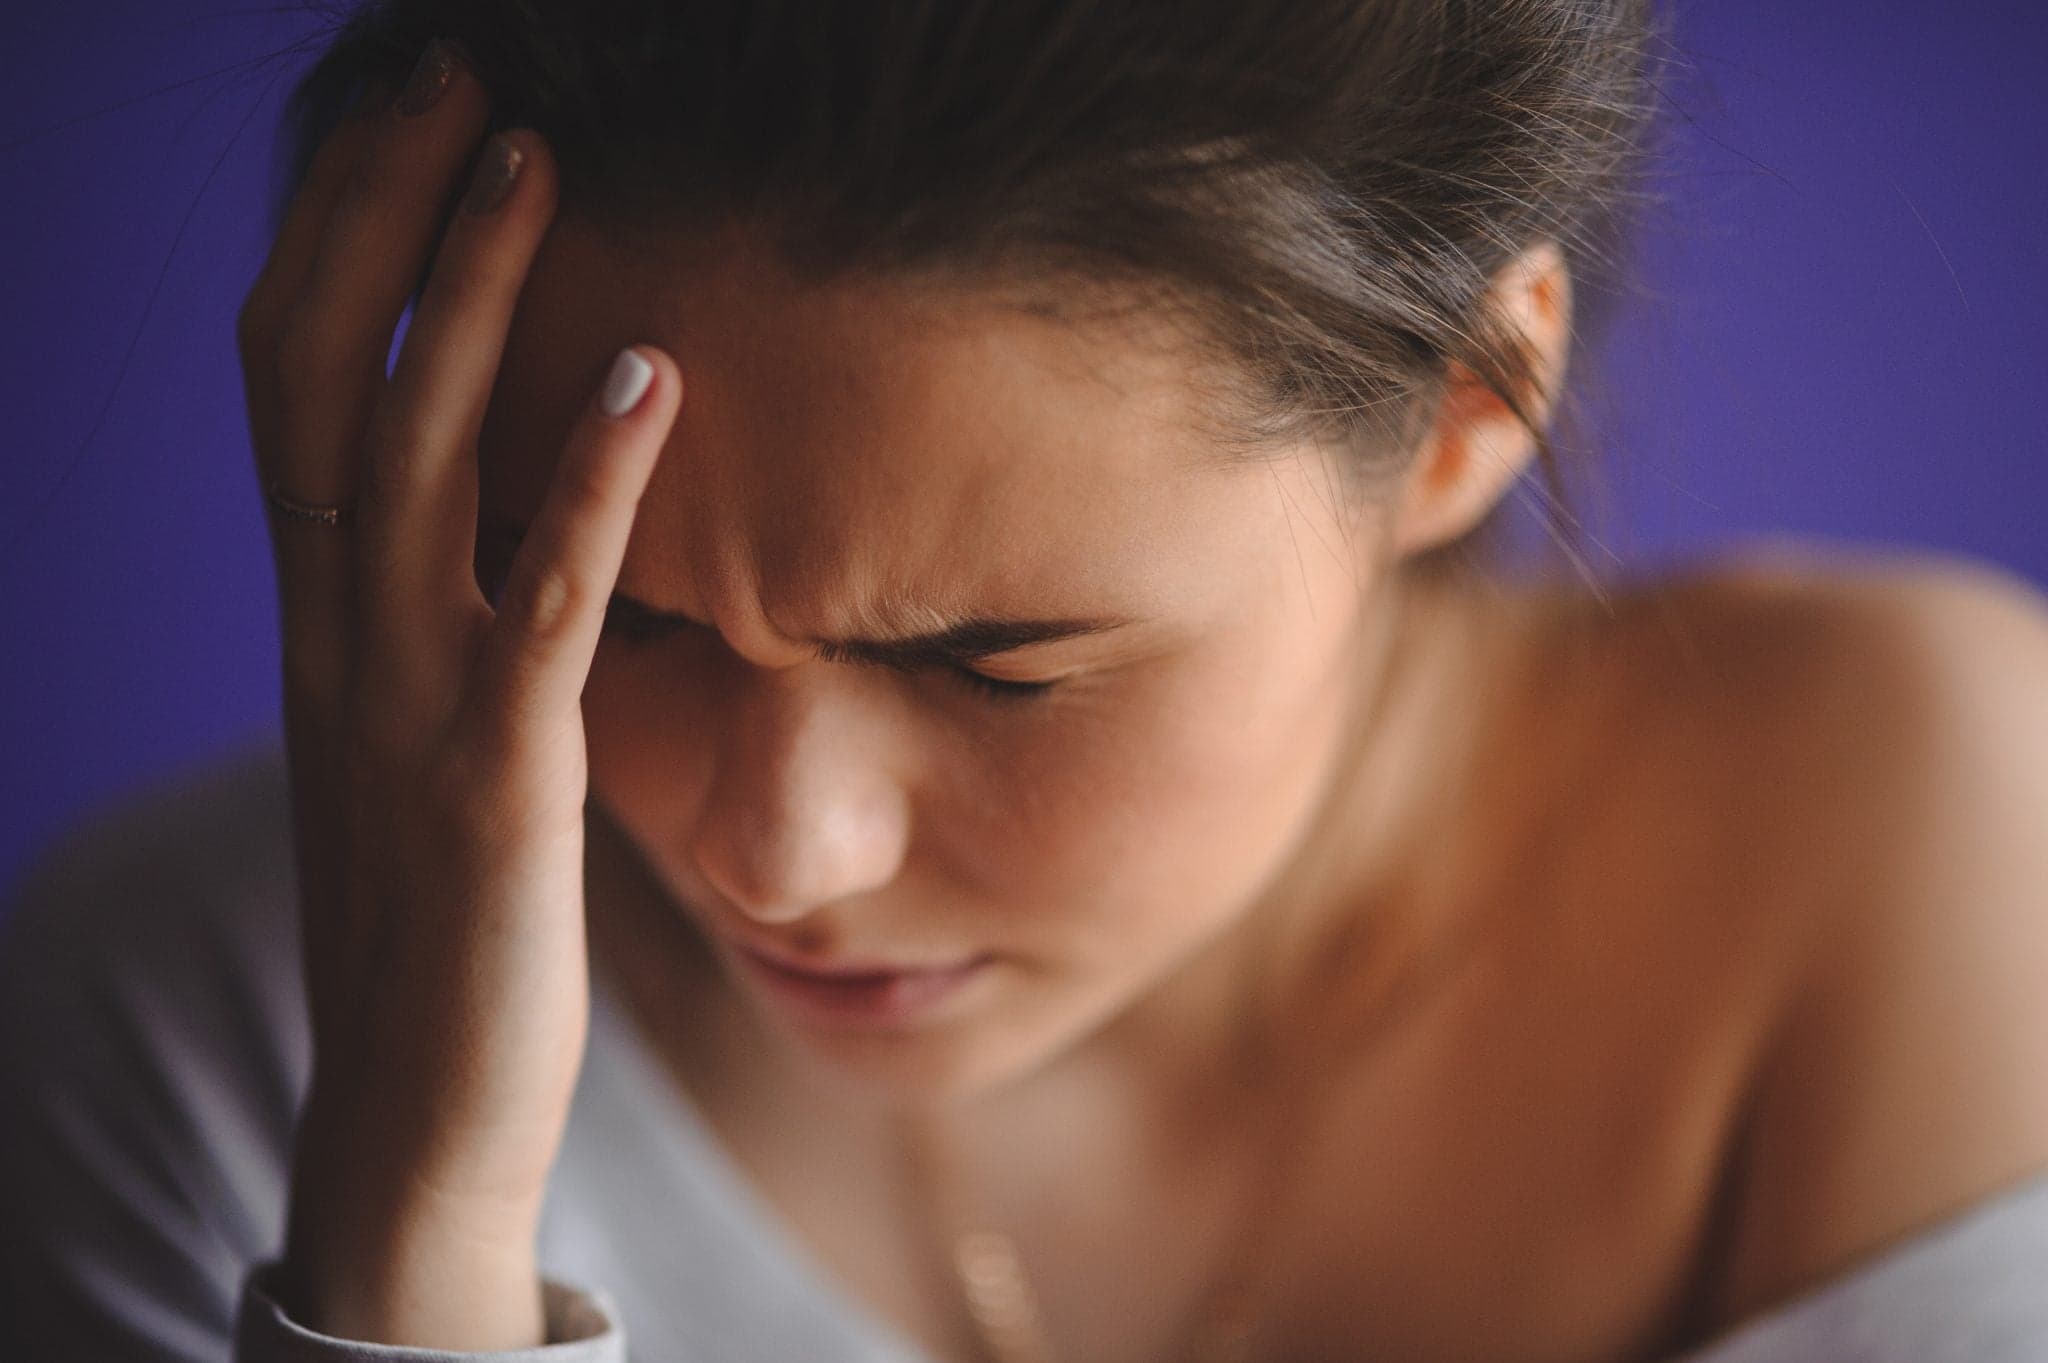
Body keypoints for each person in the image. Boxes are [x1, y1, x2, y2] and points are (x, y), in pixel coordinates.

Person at [4, 2, 2047, 1359]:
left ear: (1462, 402)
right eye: (610, 610)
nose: (776, 851)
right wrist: (414, 1239)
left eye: (988, 669)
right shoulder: (205, 1045)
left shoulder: (1908, 846)